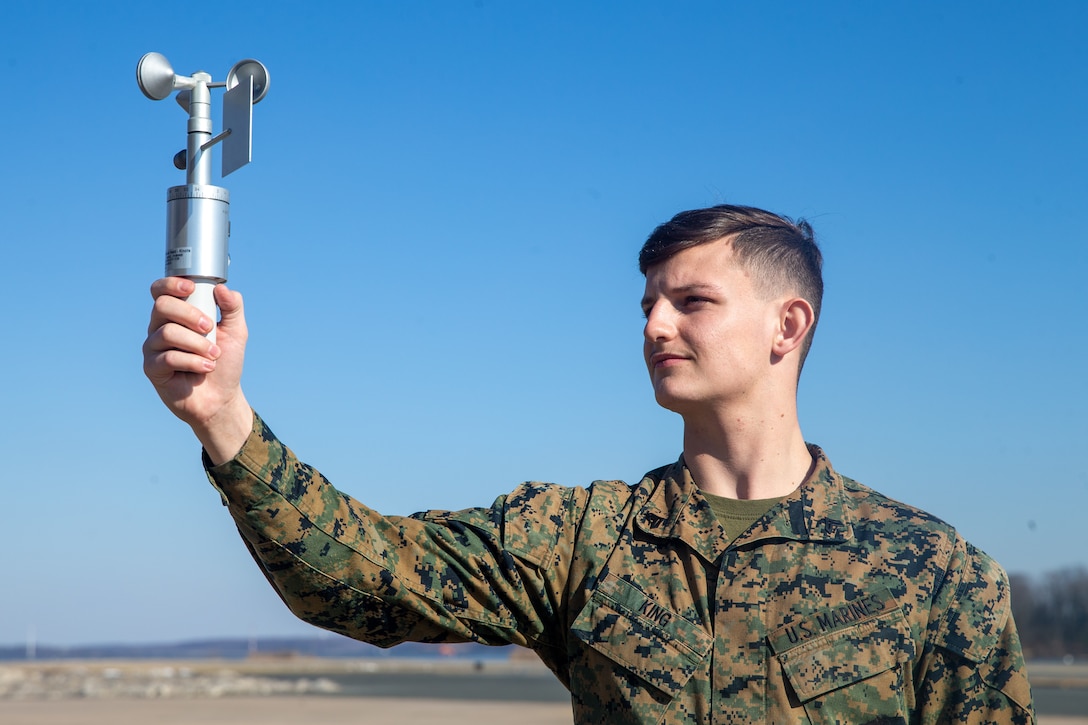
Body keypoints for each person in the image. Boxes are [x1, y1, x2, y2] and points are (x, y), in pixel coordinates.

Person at [143, 204, 1035, 723]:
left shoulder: (932, 572)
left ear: (787, 325)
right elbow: (368, 577)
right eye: (648, 303)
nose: (654, 326)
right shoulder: (586, 538)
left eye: (692, 301)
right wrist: (224, 418)